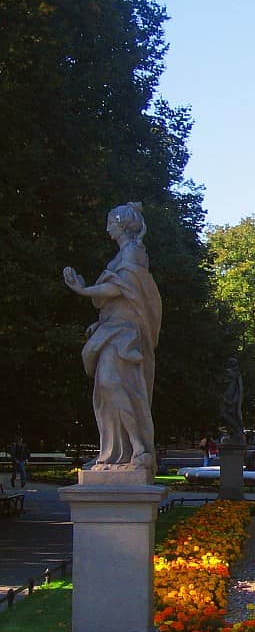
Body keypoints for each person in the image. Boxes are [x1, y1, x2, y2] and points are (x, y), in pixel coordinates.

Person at [63, 203, 161, 475]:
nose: (107, 228)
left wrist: (82, 290)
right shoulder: (124, 254)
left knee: (110, 383)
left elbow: (120, 289)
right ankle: (118, 452)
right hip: (112, 329)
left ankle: (138, 448)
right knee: (109, 389)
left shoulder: (133, 252)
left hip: (124, 333)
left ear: (122, 224)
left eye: (110, 223)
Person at [220, 358, 245, 443]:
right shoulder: (233, 373)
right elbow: (240, 388)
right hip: (229, 396)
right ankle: (236, 431)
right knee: (227, 414)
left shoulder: (234, 373)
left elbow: (240, 388)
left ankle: (237, 431)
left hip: (231, 397)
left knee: (229, 414)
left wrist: (237, 399)